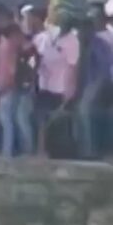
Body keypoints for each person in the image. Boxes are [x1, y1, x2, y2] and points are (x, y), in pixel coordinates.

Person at [36, 10, 80, 158]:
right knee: (42, 119)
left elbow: (73, 67)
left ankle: (60, 152)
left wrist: (70, 92)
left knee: (58, 121)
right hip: (45, 85)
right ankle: (41, 151)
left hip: (61, 87)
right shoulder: (47, 38)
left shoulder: (72, 41)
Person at [76, 5, 111, 159]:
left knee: (87, 113)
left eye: (84, 28)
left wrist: (93, 91)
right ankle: (85, 150)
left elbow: (104, 70)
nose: (80, 32)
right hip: (85, 87)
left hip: (99, 87)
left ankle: (93, 151)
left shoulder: (99, 45)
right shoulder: (80, 45)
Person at [0, 23, 34, 157]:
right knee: (13, 119)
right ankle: (15, 150)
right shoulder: (16, 48)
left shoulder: (8, 47)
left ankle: (8, 151)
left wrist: (5, 85)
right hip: (16, 86)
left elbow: (10, 70)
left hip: (9, 86)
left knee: (7, 119)